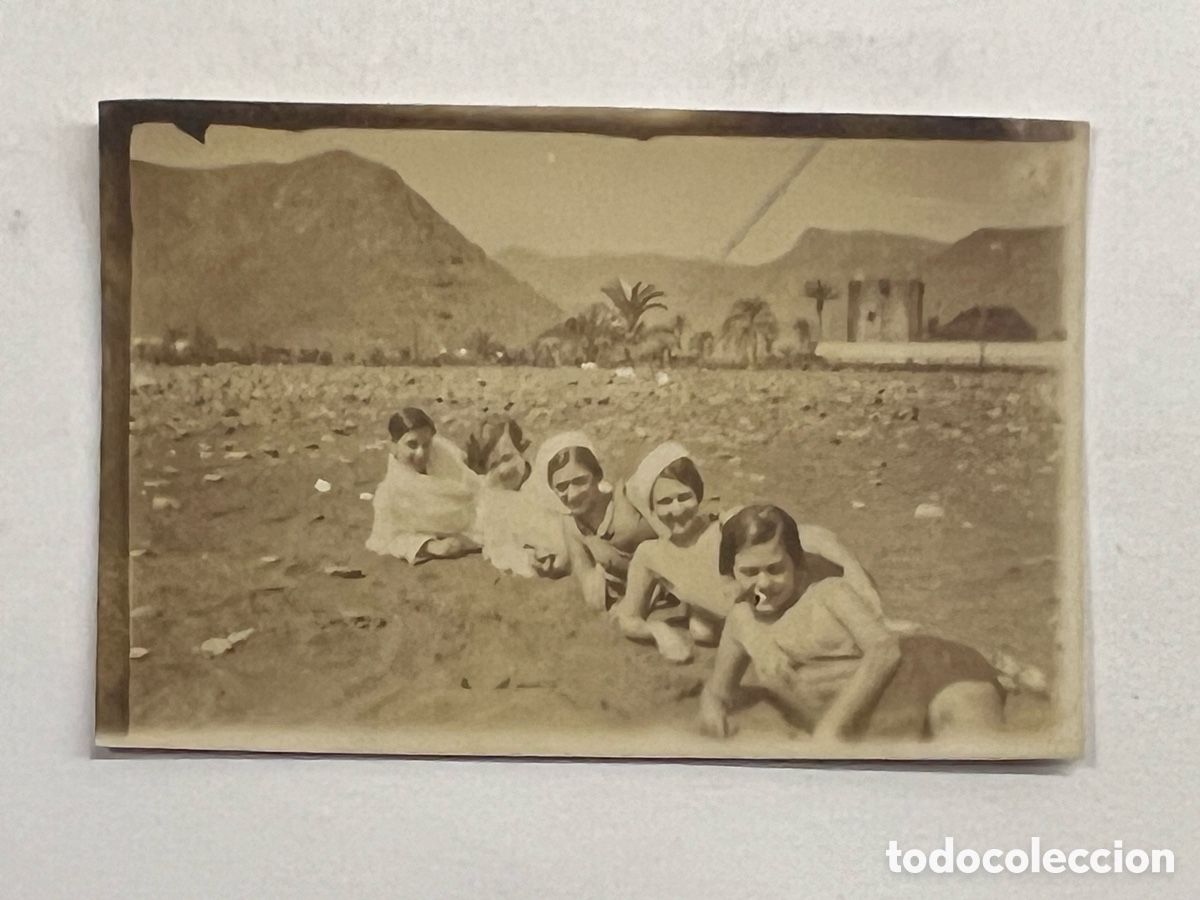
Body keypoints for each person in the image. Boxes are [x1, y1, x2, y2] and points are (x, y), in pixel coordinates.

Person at [698, 505, 1006, 742]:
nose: (763, 582)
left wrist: (830, 730)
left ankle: (1000, 672)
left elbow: (885, 649)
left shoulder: (829, 594)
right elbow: (718, 690)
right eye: (750, 572)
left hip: (939, 672)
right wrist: (711, 706)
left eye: (776, 568)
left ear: (797, 564)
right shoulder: (742, 623)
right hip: (883, 723)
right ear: (732, 573)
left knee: (969, 763)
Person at [612, 442, 886, 663]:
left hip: (782, 603)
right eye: (664, 502)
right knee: (703, 630)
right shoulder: (650, 555)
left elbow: (817, 537)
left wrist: (867, 596)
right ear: (651, 507)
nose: (677, 509)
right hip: (743, 621)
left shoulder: (725, 525)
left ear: (698, 495)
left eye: (685, 497)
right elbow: (629, 618)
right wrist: (660, 632)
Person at [542, 432, 662, 613]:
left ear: (597, 476)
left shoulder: (627, 499)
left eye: (580, 482)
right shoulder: (572, 524)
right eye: (561, 487)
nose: (572, 494)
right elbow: (591, 593)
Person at [365, 407, 483, 563]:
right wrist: (429, 546)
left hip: (482, 512)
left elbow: (471, 482)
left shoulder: (441, 452)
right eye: (412, 445)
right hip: (471, 526)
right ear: (393, 446)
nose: (421, 453)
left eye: (426, 444)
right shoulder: (389, 494)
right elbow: (385, 538)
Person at [467, 417, 570, 578]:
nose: (503, 470)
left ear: (522, 452)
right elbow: (499, 548)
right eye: (493, 465)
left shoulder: (543, 481)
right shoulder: (492, 502)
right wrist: (528, 561)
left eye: (508, 458)